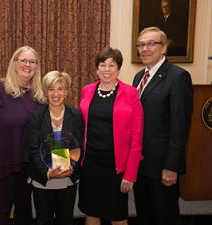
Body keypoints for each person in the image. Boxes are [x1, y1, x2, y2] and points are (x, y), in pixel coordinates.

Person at [0, 46, 45, 225]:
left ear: (37, 67)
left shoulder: (39, 95)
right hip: (1, 166)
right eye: (23, 60)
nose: (28, 65)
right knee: (1, 212)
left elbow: (47, 131)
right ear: (14, 63)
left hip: (28, 166)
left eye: (32, 62)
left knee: (25, 212)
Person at [132, 26, 193, 225]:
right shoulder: (138, 77)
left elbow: (180, 127)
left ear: (164, 48)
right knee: (144, 216)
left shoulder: (178, 77)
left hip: (162, 168)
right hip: (140, 165)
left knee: (165, 217)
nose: (145, 49)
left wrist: (171, 167)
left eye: (151, 43)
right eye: (141, 44)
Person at [78, 47, 144, 225]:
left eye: (111, 65)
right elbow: (81, 127)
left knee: (118, 216)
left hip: (116, 167)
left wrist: (130, 174)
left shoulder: (130, 93)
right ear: (96, 69)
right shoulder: (87, 90)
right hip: (90, 165)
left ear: (119, 69)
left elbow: (137, 138)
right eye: (102, 65)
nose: (107, 69)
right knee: (91, 212)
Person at [26, 71, 84, 225]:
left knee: (66, 221)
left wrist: (72, 166)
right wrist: (47, 172)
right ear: (46, 92)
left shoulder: (76, 115)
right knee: (43, 221)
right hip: (43, 180)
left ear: (66, 91)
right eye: (51, 89)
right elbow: (33, 149)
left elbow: (79, 147)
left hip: (67, 180)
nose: (56, 94)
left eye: (60, 89)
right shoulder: (36, 116)